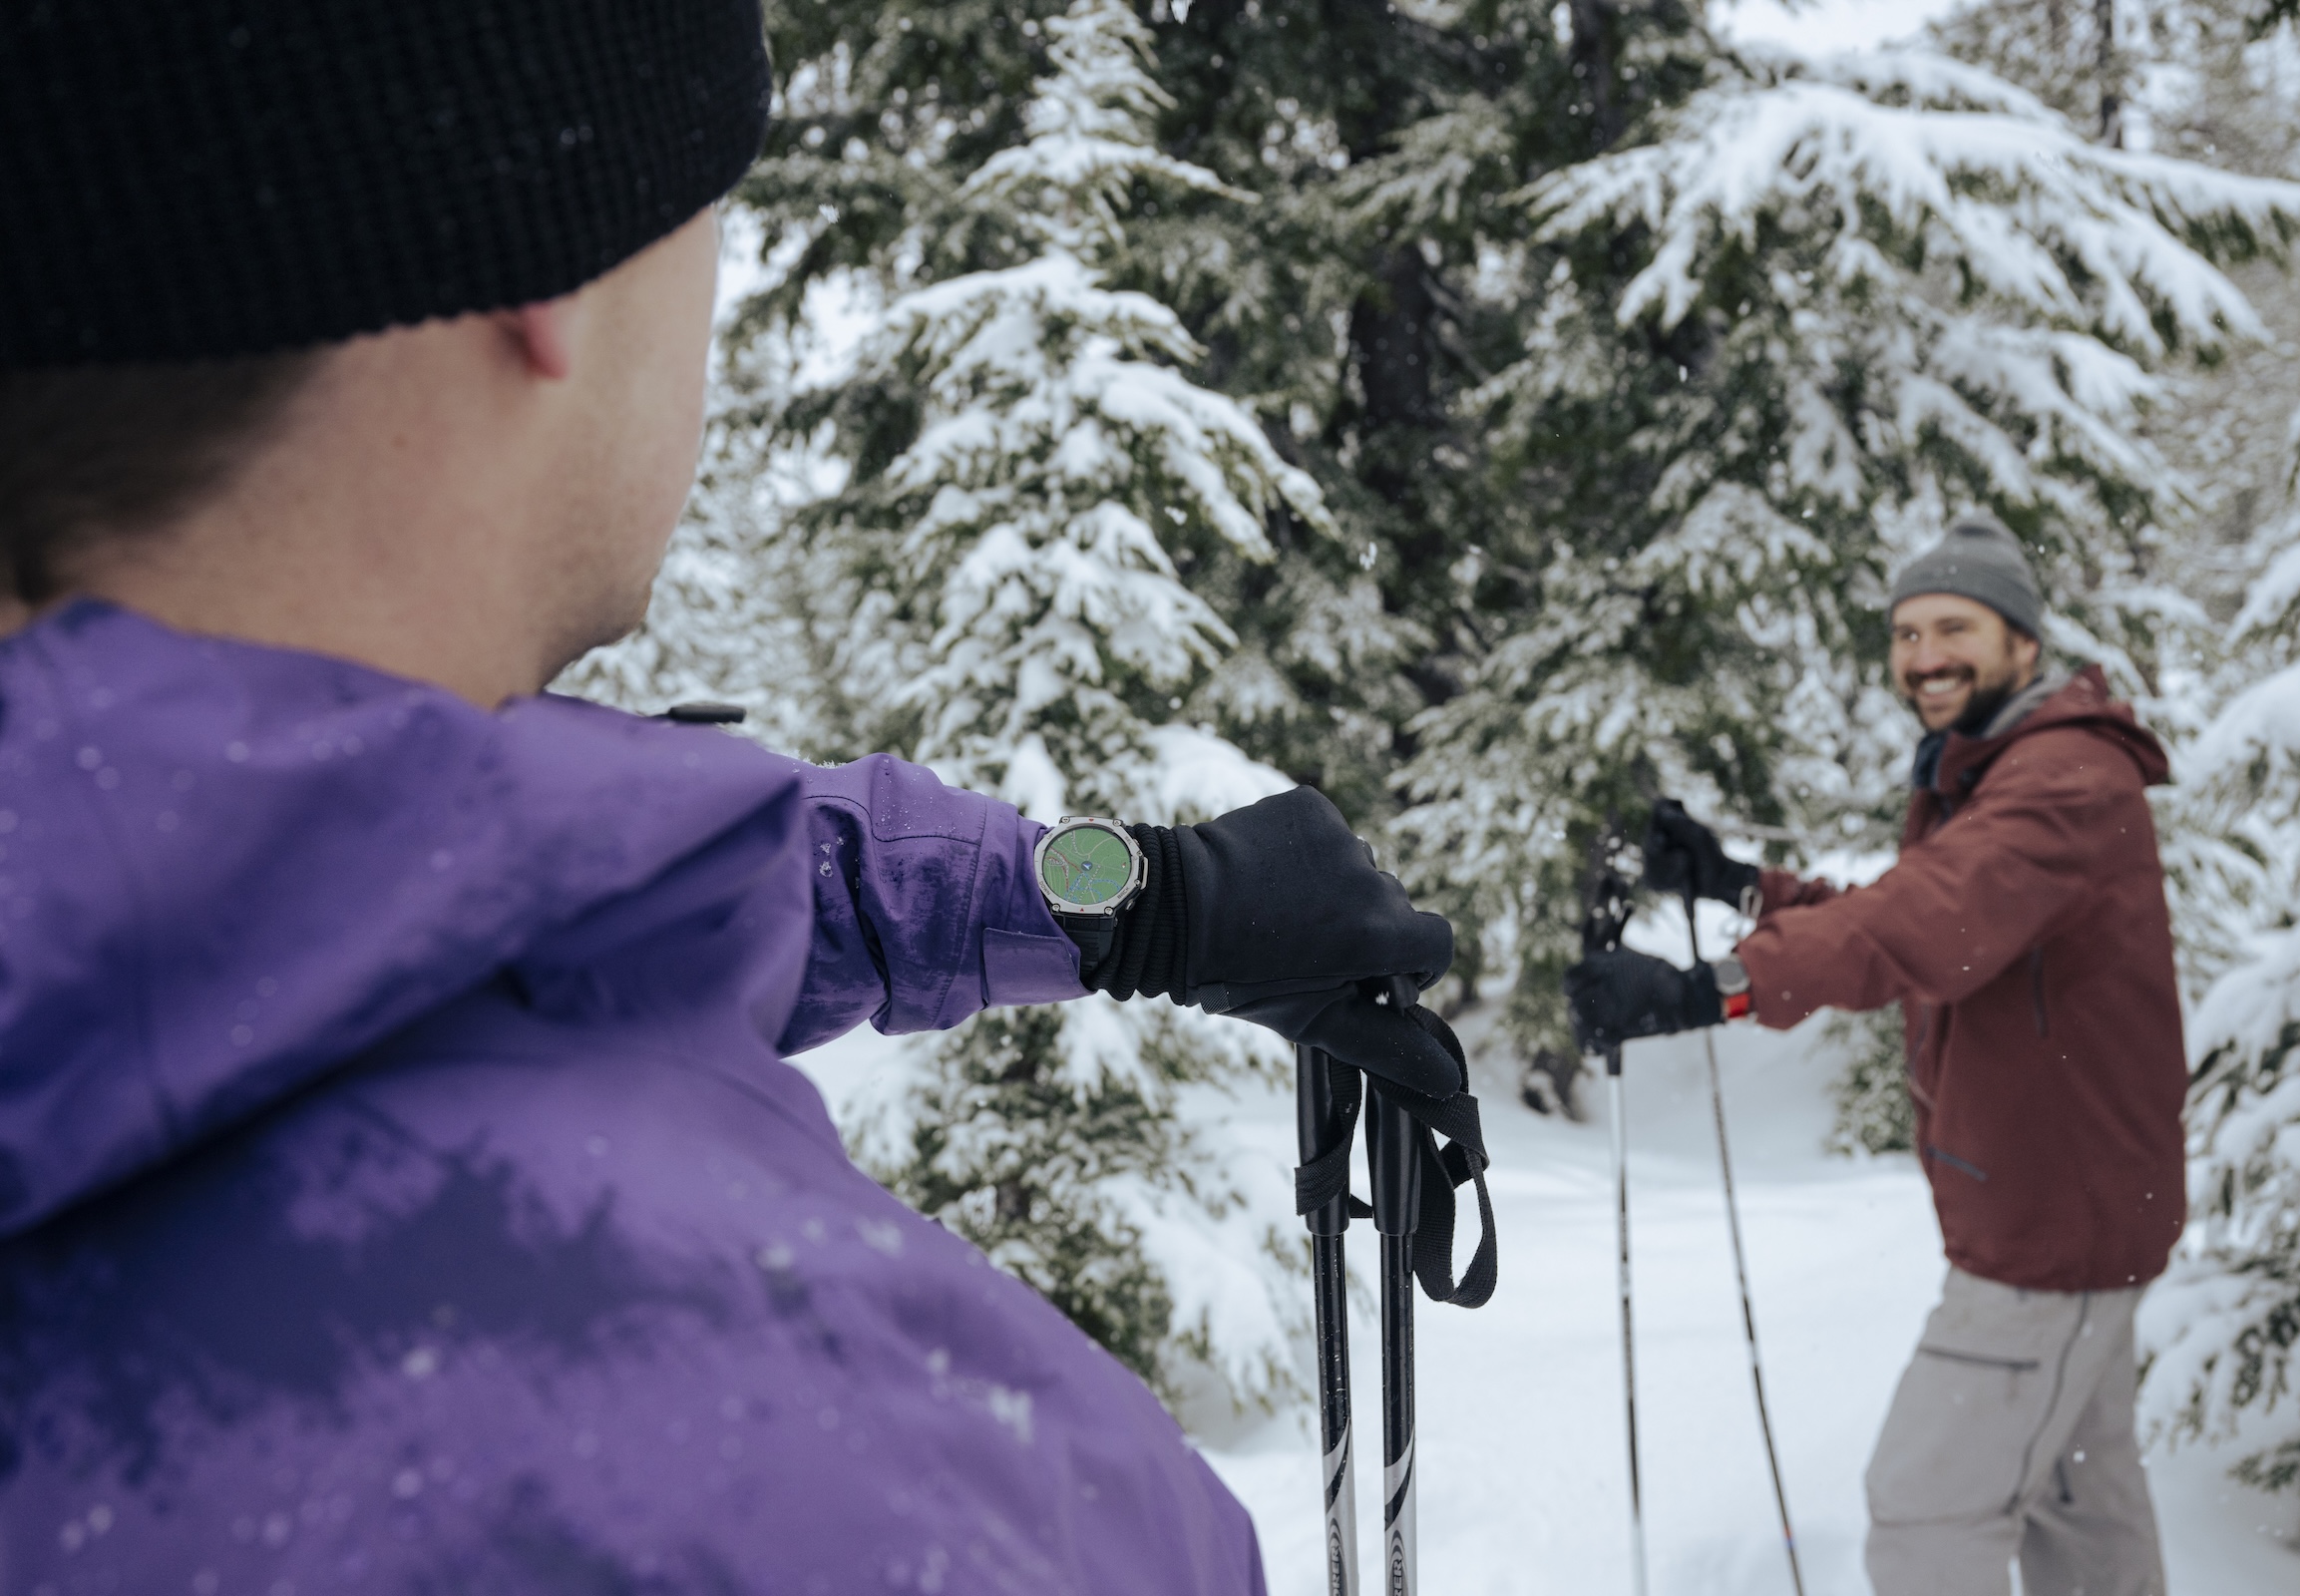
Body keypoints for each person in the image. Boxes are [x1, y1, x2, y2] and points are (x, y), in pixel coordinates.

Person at [0, 5, 1467, 1592]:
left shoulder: (167, 868)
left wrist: (1126, 900)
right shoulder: (867, 1487)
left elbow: (498, 871)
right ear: (541, 271)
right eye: (712, 207)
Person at [1567, 519, 2182, 1596]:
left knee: (1925, 1514)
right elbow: (1922, 909)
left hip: (2046, 1241)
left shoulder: (2061, 781)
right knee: (2083, 1509)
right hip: (2073, 1218)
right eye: (1907, 633)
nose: (1925, 654)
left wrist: (1702, 989)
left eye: (1955, 627)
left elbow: (1929, 922)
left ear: (2023, 646)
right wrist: (1739, 882)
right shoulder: (2004, 771)